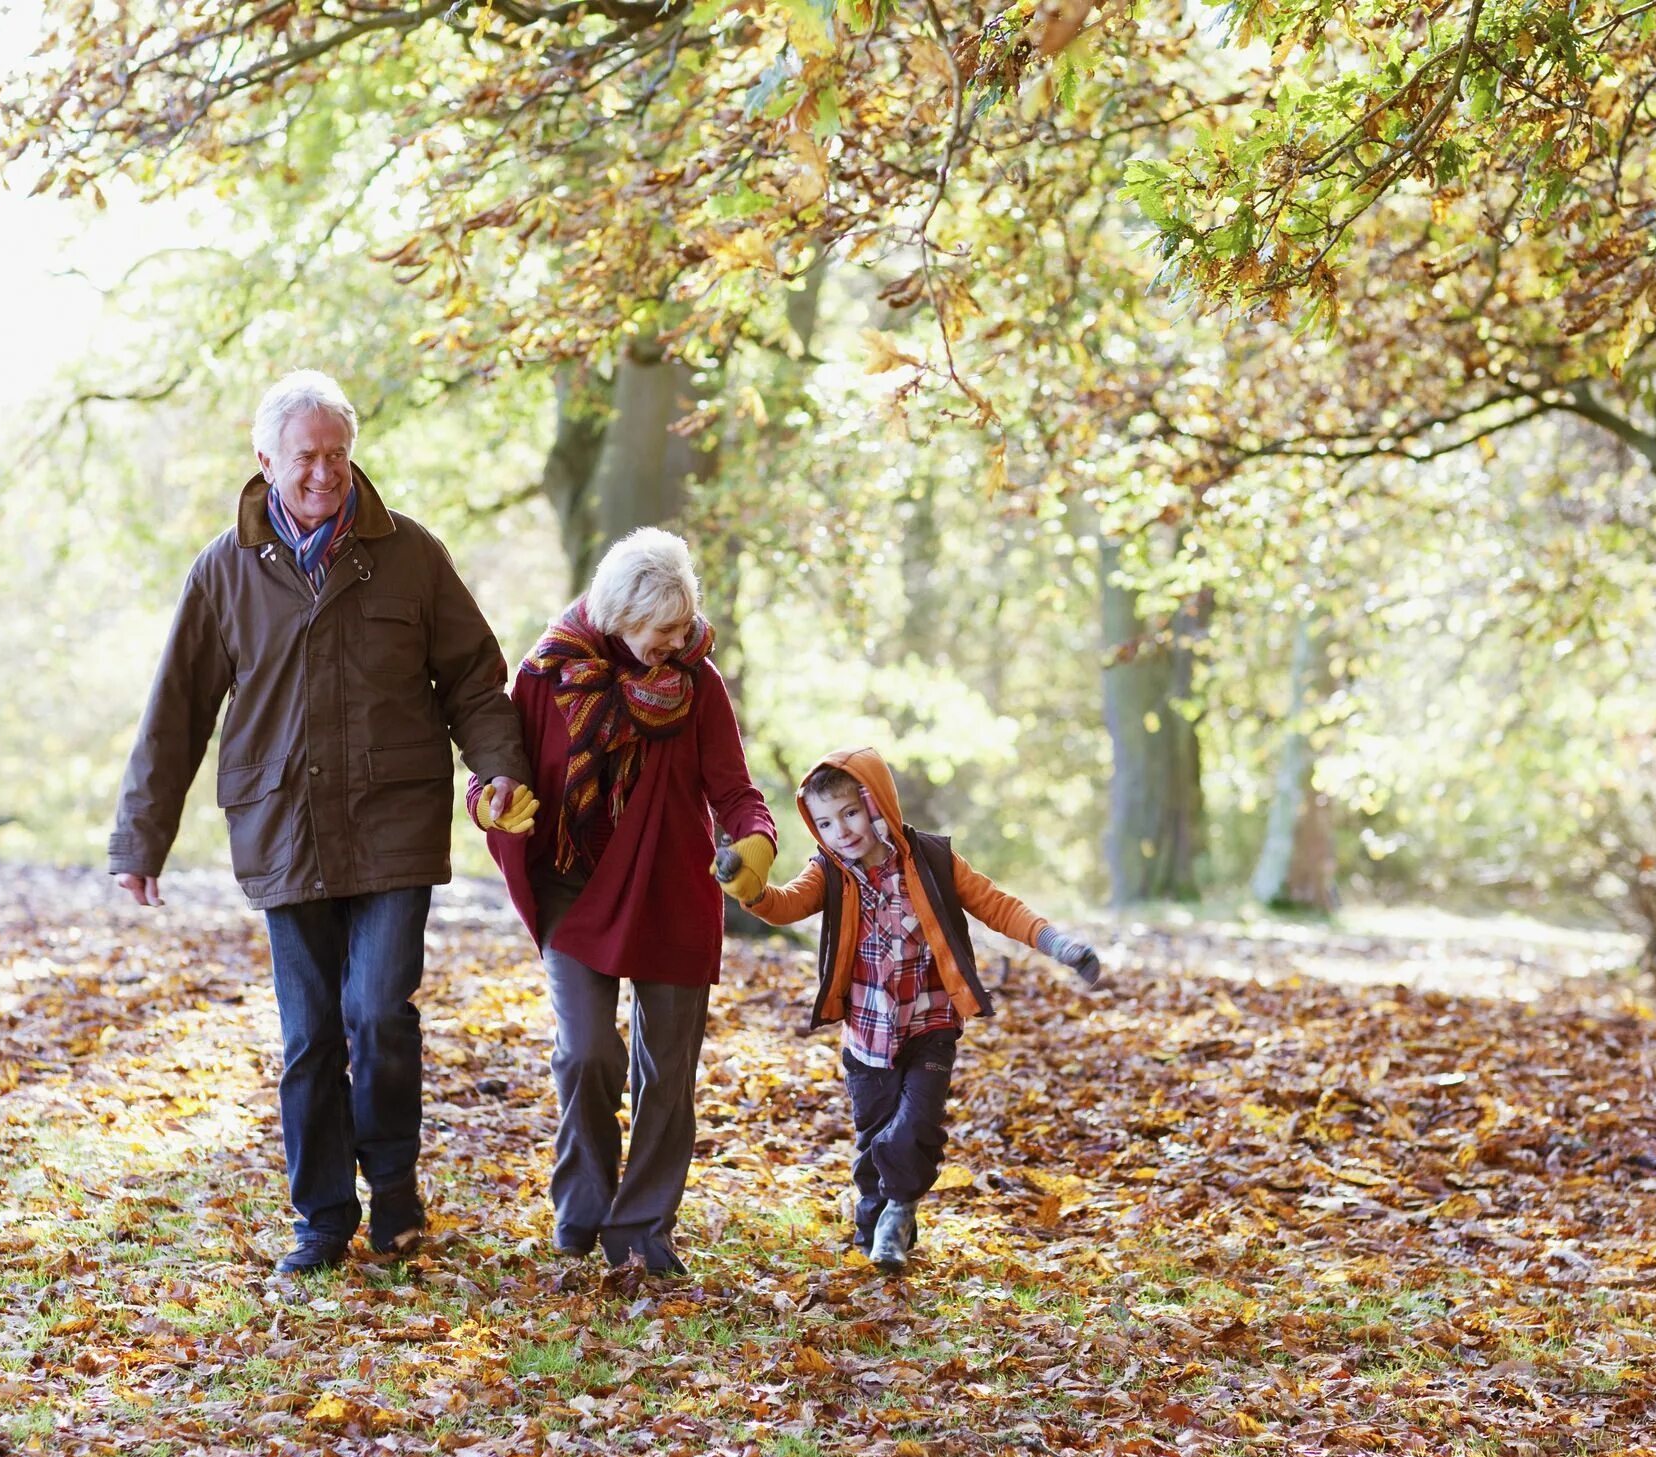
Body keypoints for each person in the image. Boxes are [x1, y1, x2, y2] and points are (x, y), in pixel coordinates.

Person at [108, 369, 537, 1275]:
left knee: (380, 1012)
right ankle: (321, 1219)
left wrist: (498, 769)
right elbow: (176, 711)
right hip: (281, 825)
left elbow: (473, 681)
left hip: (393, 823)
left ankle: (394, 1195)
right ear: (265, 460)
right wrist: (140, 839)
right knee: (310, 1037)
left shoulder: (411, 555)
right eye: (306, 456)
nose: (324, 472)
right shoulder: (224, 571)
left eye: (338, 454)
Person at [480, 527, 775, 1276]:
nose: (678, 643)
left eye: (685, 625)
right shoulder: (547, 675)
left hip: (671, 885)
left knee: (667, 1066)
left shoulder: (697, 684)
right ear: (616, 616)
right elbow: (500, 770)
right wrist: (492, 802)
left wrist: (756, 840)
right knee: (586, 1051)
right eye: (661, 630)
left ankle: (644, 1227)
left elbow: (735, 790)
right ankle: (581, 1208)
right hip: (574, 887)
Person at [728, 747, 1102, 1273]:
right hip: (867, 1035)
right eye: (827, 823)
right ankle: (878, 1228)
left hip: (930, 1024)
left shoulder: (932, 860)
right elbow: (784, 904)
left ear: (876, 800)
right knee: (873, 1141)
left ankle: (900, 1207)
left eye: (851, 812)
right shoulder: (830, 873)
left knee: (914, 1127)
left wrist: (1058, 944)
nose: (843, 831)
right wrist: (750, 891)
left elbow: (998, 905)